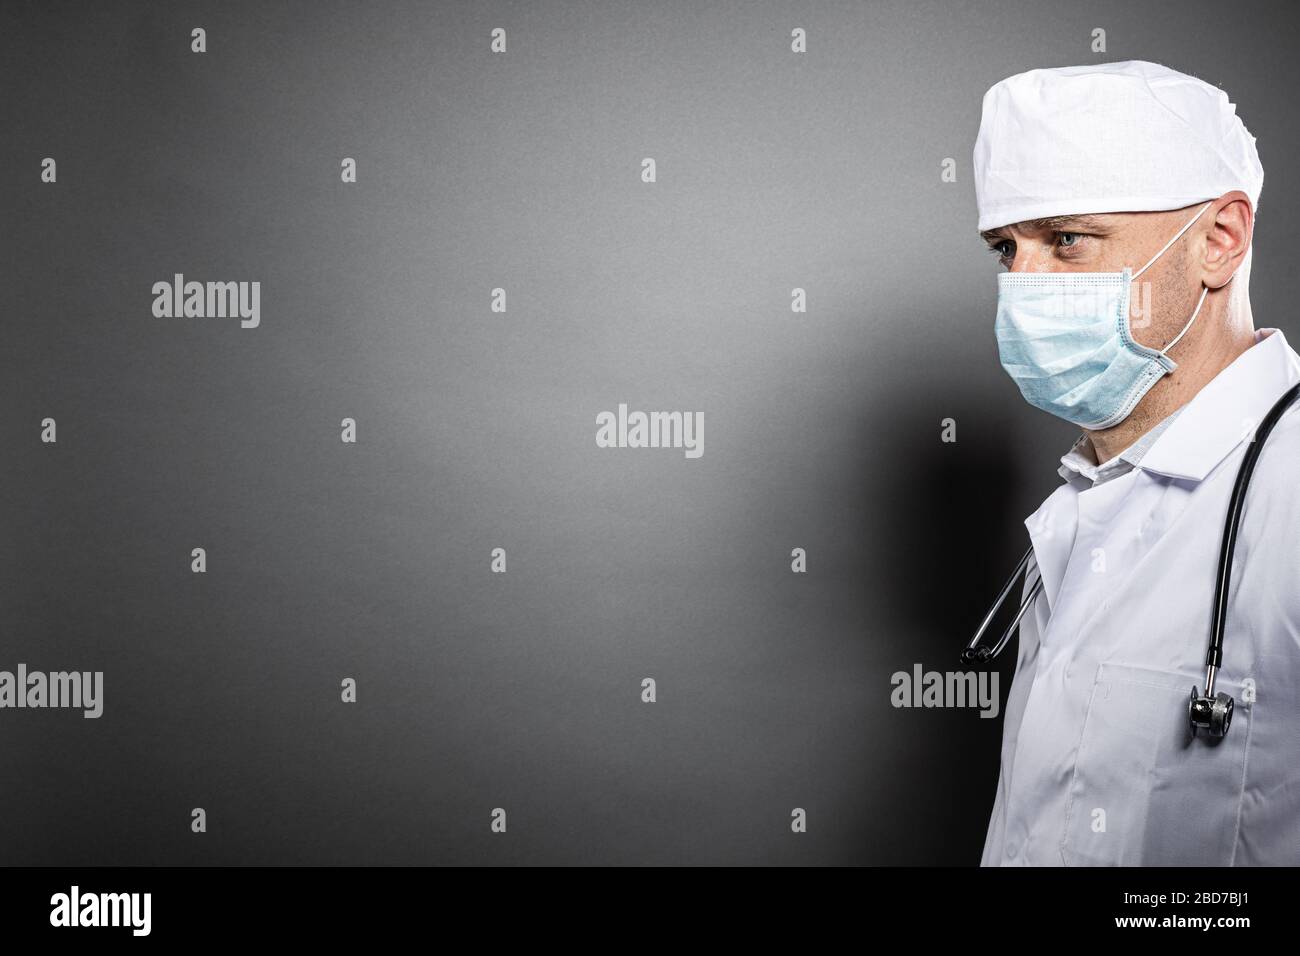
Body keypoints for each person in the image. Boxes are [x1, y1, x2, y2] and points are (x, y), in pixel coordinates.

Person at [972, 60, 1300, 865]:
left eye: (1066, 240)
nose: (1024, 284)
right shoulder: (1088, 495)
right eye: (1006, 248)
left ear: (1219, 242)